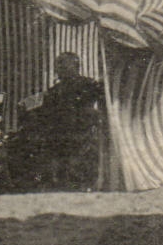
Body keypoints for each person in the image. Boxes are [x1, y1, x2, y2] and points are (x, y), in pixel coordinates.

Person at [9, 52, 104, 191]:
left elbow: (44, 111)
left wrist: (26, 111)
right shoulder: (90, 84)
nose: (56, 71)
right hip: (85, 133)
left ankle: (34, 181)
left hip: (64, 136)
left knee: (22, 139)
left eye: (59, 68)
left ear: (67, 69)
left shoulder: (58, 91)